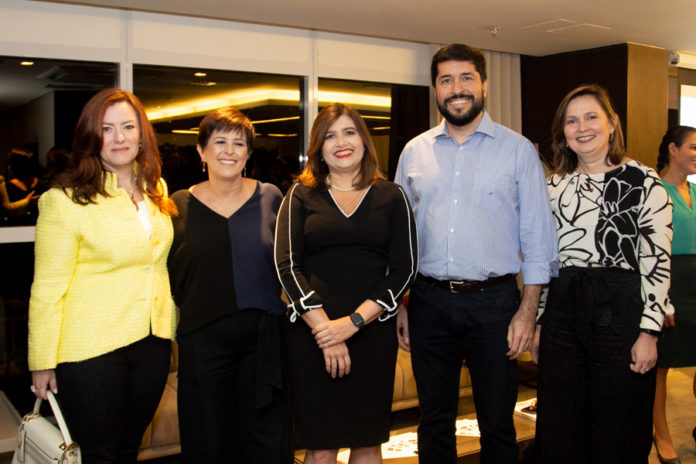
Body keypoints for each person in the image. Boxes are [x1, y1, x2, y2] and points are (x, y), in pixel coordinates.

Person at [394, 43, 558, 463]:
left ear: (484, 84)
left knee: (497, 422)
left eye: (466, 77)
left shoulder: (518, 150)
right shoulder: (414, 152)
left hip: (496, 305)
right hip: (428, 302)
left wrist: (527, 310)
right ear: (435, 89)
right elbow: (401, 238)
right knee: (433, 422)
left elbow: (539, 238)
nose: (457, 88)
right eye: (446, 80)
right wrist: (402, 306)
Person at [28, 88, 178, 463]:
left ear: (142, 134)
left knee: (130, 449)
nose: (119, 137)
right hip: (90, 349)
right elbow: (47, 287)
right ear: (91, 136)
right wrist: (41, 360)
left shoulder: (155, 191)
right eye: (107, 129)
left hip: (152, 341)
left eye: (128, 126)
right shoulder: (64, 200)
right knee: (101, 454)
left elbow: (155, 264)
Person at [533, 84, 673, 463]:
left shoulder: (645, 182)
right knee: (560, 423)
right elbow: (545, 263)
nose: (582, 127)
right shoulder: (551, 187)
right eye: (571, 121)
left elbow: (657, 262)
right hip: (563, 312)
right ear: (562, 131)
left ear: (612, 123)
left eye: (591, 117)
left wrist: (649, 332)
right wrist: (541, 322)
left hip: (622, 311)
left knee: (619, 424)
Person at [275, 103, 417, 464]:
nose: (341, 142)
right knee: (321, 446)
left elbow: (405, 269)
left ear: (364, 141)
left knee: (367, 441)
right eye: (330, 135)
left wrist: (352, 324)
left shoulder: (392, 195)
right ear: (318, 148)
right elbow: (286, 267)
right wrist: (327, 331)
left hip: (370, 333)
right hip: (311, 335)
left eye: (349, 132)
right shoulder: (299, 195)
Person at [167, 107, 288, 463]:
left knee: (264, 439)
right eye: (219, 141)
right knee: (208, 440)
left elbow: (290, 263)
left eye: (239, 143)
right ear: (201, 151)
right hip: (202, 343)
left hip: (264, 341)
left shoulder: (271, 196)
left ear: (249, 154)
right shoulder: (178, 204)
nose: (229, 151)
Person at [652, 125, 696, 464]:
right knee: (662, 365)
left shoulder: (695, 190)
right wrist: (659, 298)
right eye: (693, 147)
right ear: (673, 149)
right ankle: (662, 435)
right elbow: (650, 249)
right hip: (668, 284)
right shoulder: (655, 189)